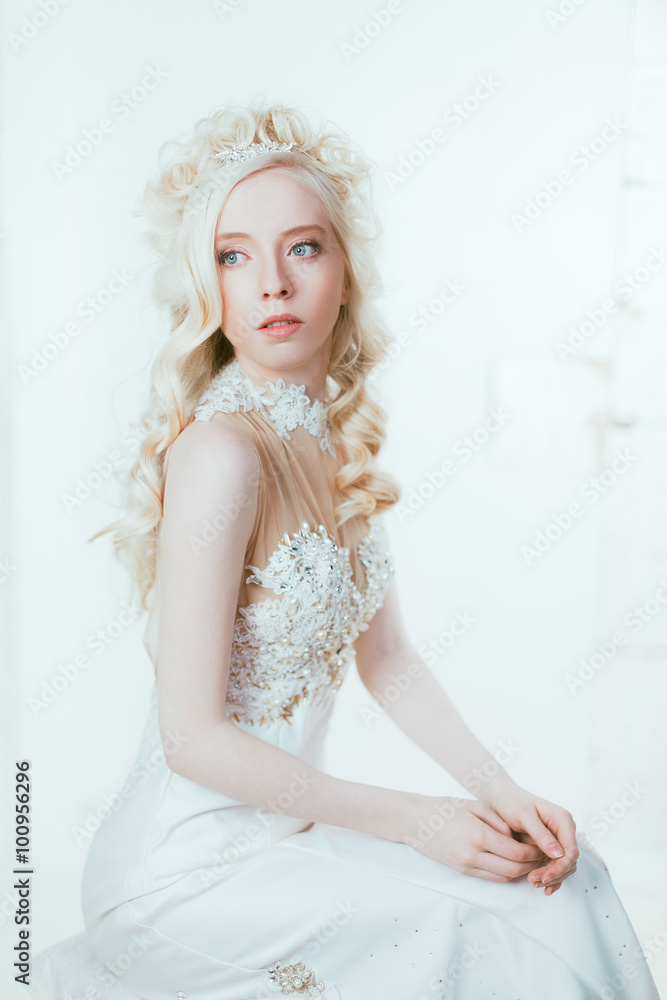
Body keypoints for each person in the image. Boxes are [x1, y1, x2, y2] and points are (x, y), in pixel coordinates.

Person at [30, 100, 660, 1000]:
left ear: (346, 270)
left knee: (566, 883)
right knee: (469, 925)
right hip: (181, 876)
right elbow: (191, 740)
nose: (272, 284)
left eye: (303, 247)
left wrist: (500, 794)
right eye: (232, 256)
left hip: (287, 843)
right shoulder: (220, 453)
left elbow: (389, 661)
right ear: (205, 284)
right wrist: (416, 821)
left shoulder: (332, 444)